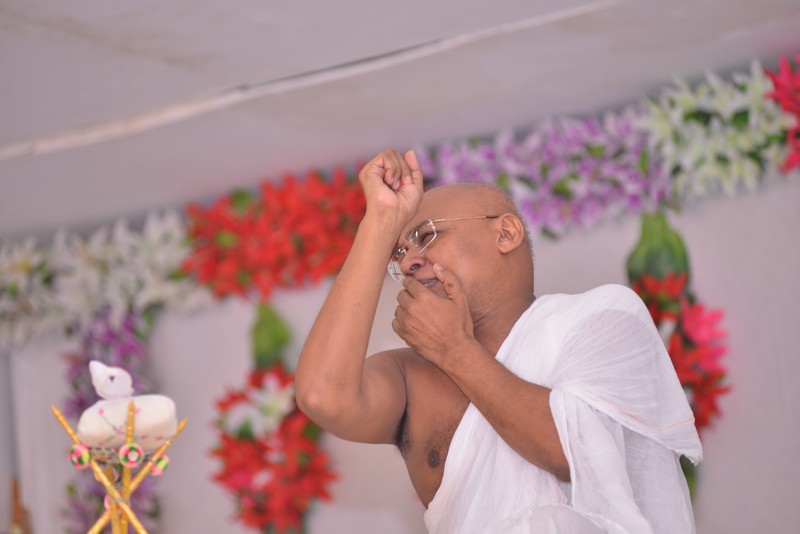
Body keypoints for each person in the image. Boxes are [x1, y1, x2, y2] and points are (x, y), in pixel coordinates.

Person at [295, 148, 702, 533]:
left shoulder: (601, 314)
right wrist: (379, 222)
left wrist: (454, 350)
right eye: (399, 253)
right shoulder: (410, 375)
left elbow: (572, 454)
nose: (409, 261)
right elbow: (321, 396)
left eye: (427, 235)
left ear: (506, 233)